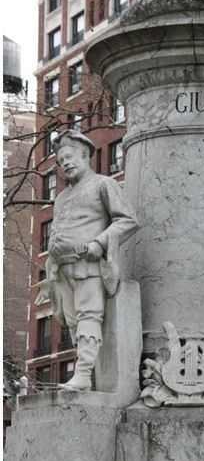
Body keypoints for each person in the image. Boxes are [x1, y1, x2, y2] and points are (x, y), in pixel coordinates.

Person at [35, 130, 138, 391]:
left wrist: (99, 243)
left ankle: (82, 375)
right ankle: (86, 377)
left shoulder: (104, 184)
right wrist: (50, 272)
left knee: (89, 316)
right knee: (72, 323)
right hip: (61, 270)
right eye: (61, 161)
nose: (65, 164)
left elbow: (128, 220)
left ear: (84, 156)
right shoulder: (61, 198)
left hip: (88, 265)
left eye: (70, 157)